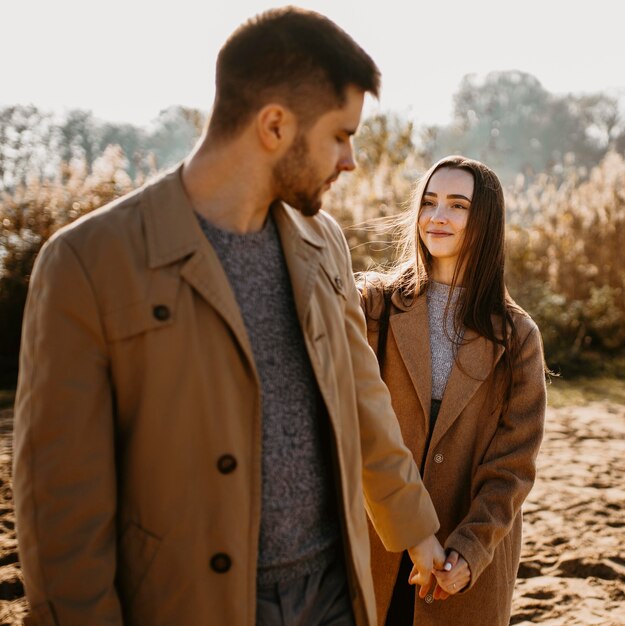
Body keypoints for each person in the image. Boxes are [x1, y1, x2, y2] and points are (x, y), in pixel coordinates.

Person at [12, 7, 446, 626]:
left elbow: (363, 402)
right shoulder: (86, 262)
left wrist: (416, 532)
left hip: (335, 596)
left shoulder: (324, 241)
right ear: (274, 125)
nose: (350, 159)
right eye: (340, 135)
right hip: (192, 606)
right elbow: (60, 505)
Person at [359, 155, 547, 626]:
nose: (437, 216)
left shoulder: (517, 336)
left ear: (485, 220)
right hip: (371, 552)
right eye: (429, 201)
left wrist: (469, 551)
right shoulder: (373, 305)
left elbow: (513, 466)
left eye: (457, 205)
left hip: (461, 572)